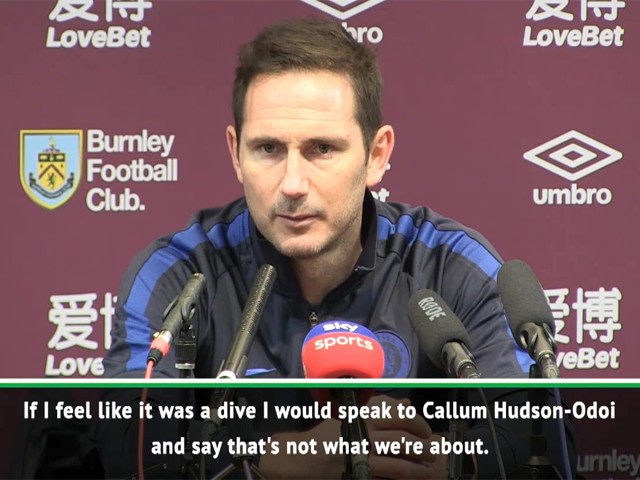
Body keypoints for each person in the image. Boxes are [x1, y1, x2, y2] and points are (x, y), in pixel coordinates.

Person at [99, 18, 575, 479]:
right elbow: (127, 446)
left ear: (377, 155)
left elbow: (542, 439)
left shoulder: (450, 265)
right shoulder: (178, 274)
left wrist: (447, 463)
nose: (292, 183)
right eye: (268, 149)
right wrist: (270, 459)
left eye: (322, 149)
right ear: (235, 153)